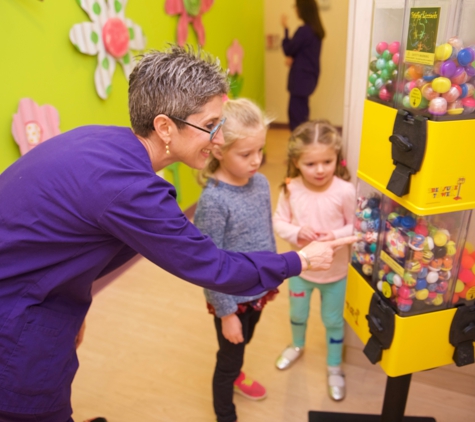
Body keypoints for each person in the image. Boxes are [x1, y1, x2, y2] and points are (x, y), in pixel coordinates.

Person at [0, 45, 355, 421]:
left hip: (37, 292)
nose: (220, 139)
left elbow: (58, 243)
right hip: (17, 314)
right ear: (165, 126)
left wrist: (73, 300)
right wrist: (300, 259)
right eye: (211, 125)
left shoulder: (103, 141)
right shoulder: (129, 188)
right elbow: (215, 267)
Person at [194, 98, 275, 422]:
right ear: (218, 150)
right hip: (231, 300)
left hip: (258, 290)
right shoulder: (213, 201)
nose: (256, 161)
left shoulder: (262, 182)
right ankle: (225, 414)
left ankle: (239, 371)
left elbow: (265, 232)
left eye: (260, 151)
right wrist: (227, 314)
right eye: (245, 154)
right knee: (228, 358)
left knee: (246, 341)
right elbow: (207, 267)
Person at [273, 120, 355, 402]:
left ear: (336, 158)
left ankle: (334, 366)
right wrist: (297, 232)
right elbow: (279, 221)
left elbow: (356, 226)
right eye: (311, 164)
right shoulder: (290, 188)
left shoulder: (345, 190)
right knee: (297, 314)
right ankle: (297, 346)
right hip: (300, 270)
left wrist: (333, 234)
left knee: (333, 321)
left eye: (327, 161)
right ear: (296, 162)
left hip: (336, 274)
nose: (320, 169)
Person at [281, 0, 325, 131]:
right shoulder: (316, 31)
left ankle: (300, 147)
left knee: (296, 116)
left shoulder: (304, 31)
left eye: (296, 7)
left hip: (300, 79)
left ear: (302, 9)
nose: (295, 10)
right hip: (309, 78)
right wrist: (294, 58)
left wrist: (285, 29)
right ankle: (302, 146)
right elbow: (303, 52)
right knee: (302, 113)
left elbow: (289, 49)